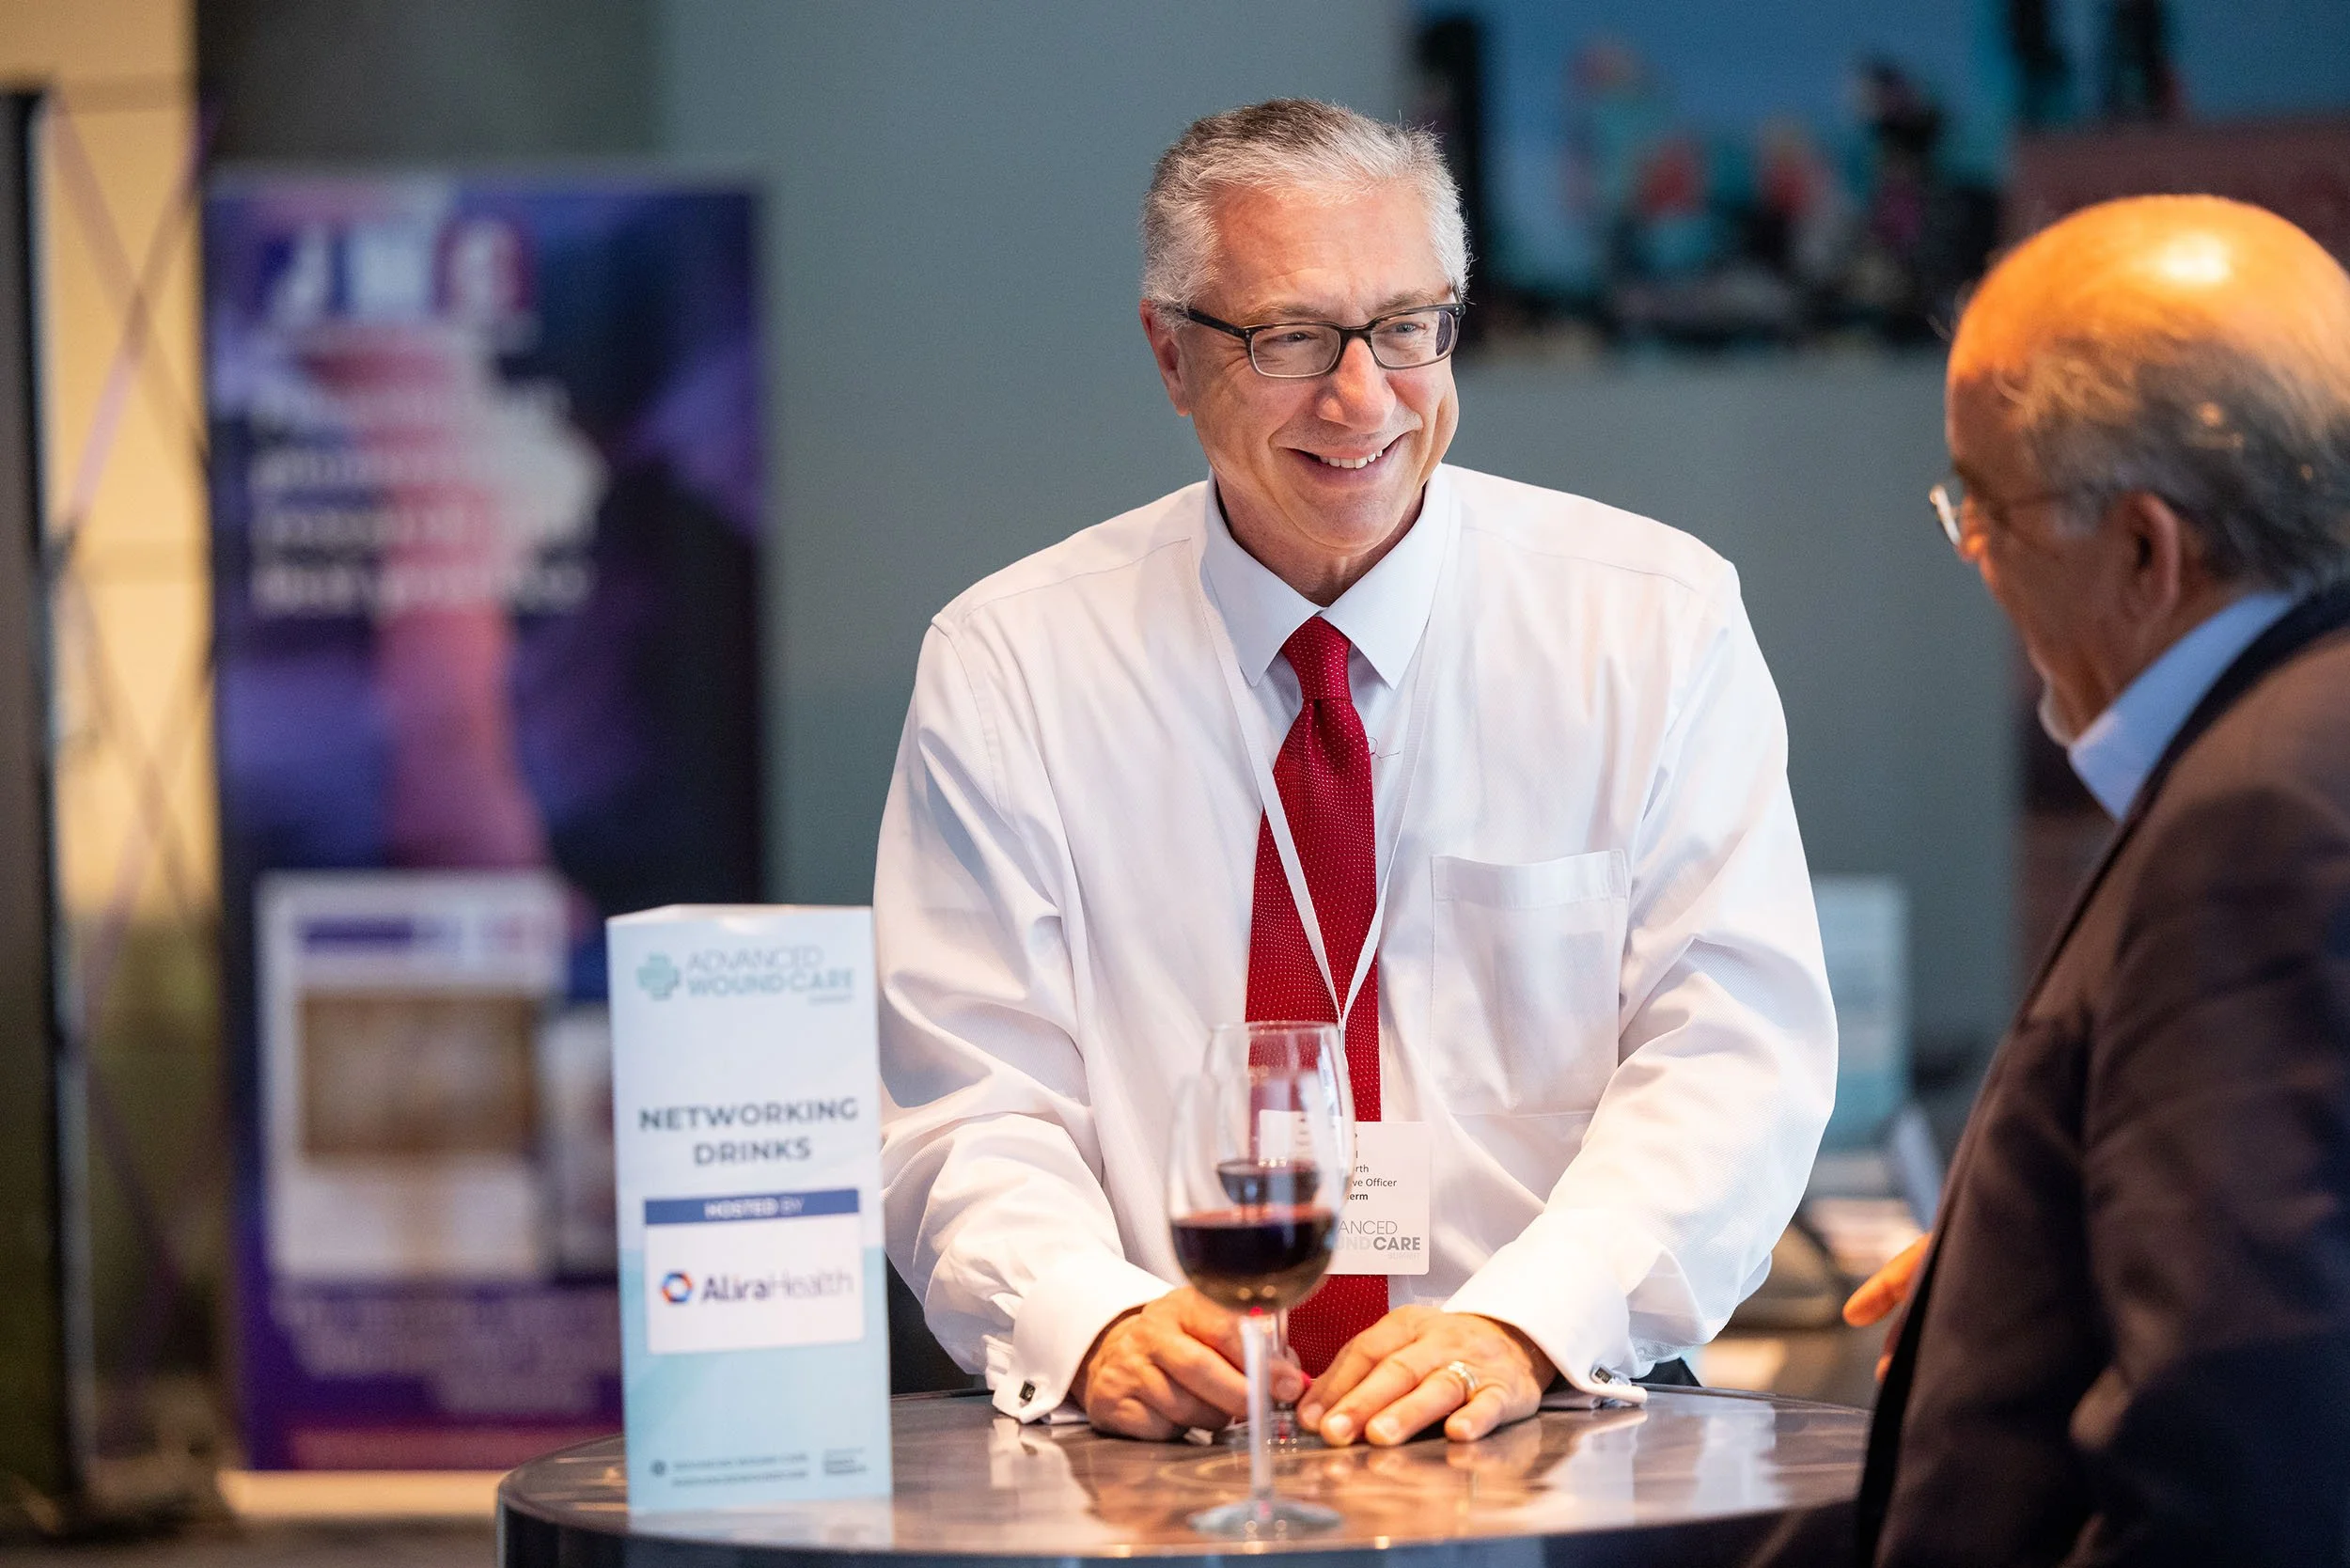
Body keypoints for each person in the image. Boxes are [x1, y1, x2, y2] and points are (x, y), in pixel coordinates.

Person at [877, 99, 1835, 1449]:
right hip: (1174, 1438)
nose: (1362, 398)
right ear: (1170, 353)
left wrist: (1526, 1323)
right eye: (1290, 338)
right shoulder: (1013, 664)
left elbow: (1733, 1053)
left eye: (1406, 327)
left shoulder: (1652, 623)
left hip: (1557, 1409)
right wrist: (1088, 1320)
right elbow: (967, 1093)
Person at [1846, 195, 2350, 1564]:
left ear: (2144, 548)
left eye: (1988, 505)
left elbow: (2238, 1459)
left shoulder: (2258, 818)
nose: (1973, 550)